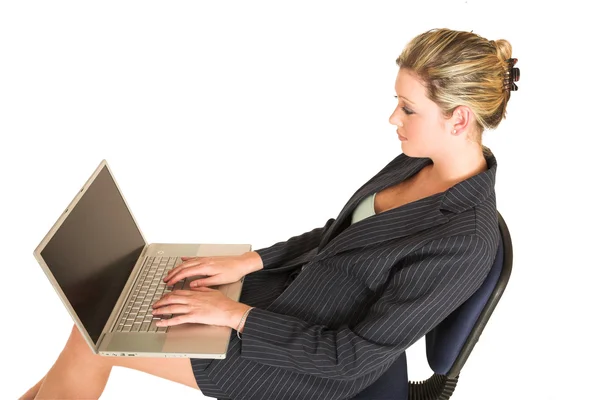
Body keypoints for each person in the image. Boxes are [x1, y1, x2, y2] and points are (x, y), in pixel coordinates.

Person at [20, 28, 518, 400]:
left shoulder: (464, 239)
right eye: (396, 102)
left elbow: (351, 359)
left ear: (458, 118)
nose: (393, 118)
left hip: (302, 361)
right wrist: (249, 263)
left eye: (408, 109)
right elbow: (339, 237)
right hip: (287, 300)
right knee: (106, 308)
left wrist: (233, 315)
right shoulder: (418, 161)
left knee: (96, 337)